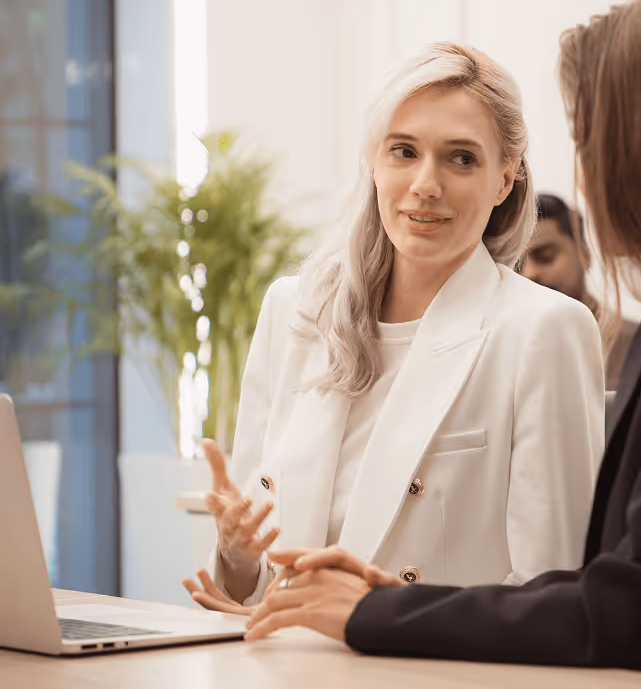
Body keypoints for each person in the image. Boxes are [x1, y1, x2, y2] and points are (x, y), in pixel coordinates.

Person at [242, 0, 641, 689]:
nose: (585, 178)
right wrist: (384, 607)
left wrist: (378, 612)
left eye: (590, 140)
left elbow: (639, 605)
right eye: (403, 151)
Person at [182, 43, 604, 611]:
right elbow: (260, 592)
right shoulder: (294, 313)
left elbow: (551, 594)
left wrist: (374, 620)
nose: (426, 184)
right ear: (374, 162)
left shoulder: (544, 329)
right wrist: (237, 557)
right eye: (404, 151)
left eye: (461, 159)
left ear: (505, 179)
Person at [521, 193, 637, 389]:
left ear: (584, 256)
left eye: (546, 256)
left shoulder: (635, 343)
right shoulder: (503, 352)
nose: (529, 274)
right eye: (517, 266)